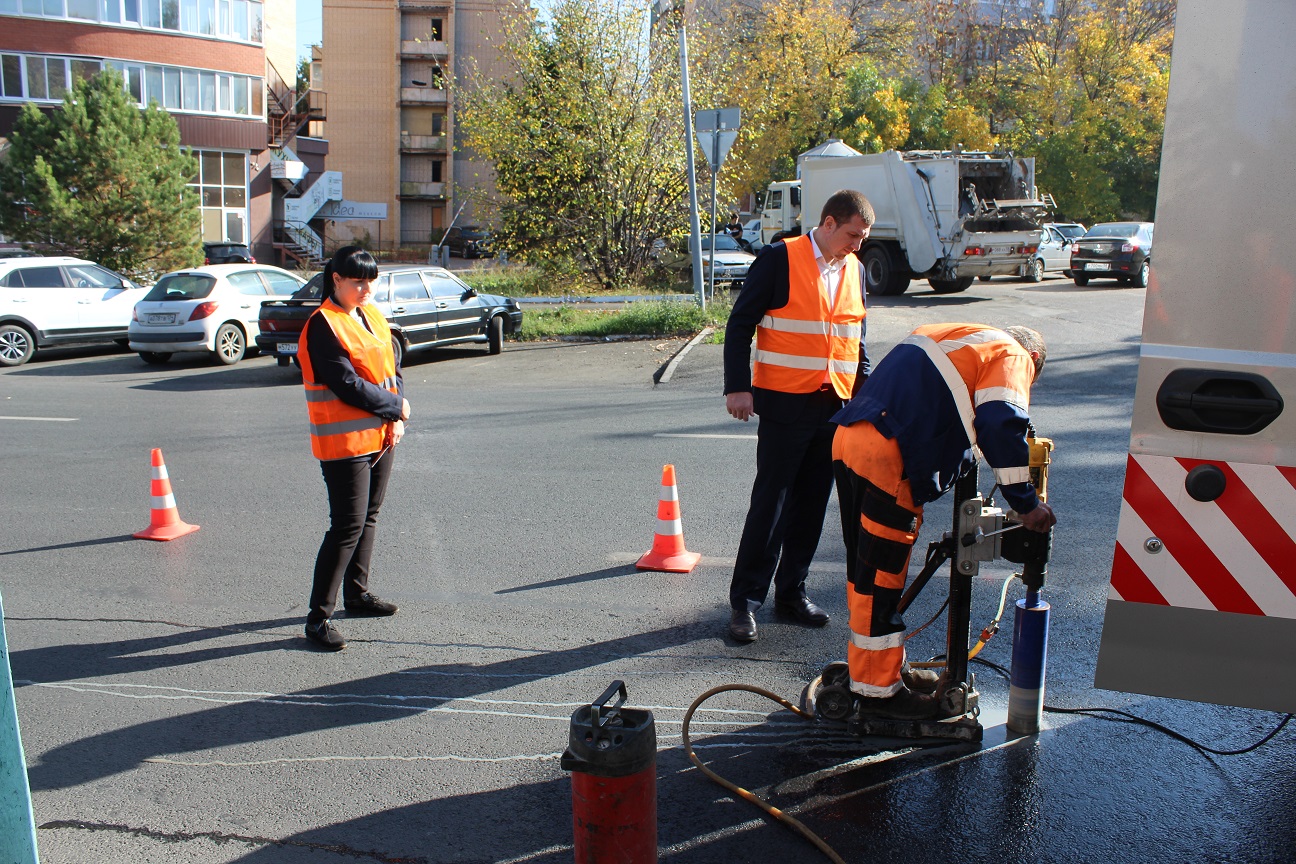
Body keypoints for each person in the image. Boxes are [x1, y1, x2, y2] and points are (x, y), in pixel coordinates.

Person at [831, 323, 1057, 718]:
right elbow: (1001, 422)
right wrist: (1025, 503)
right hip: (888, 458)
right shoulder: (1013, 355)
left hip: (852, 440)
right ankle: (877, 693)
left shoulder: (957, 337)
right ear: (1033, 360)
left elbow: (934, 401)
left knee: (864, 575)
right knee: (880, 580)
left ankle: (881, 668)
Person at [723, 189, 875, 643]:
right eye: (852, 234)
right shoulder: (779, 258)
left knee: (811, 506)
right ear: (828, 223)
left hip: (835, 406)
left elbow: (856, 340)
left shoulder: (855, 270)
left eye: (863, 237)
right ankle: (745, 603)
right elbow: (740, 323)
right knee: (771, 505)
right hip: (785, 403)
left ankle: (792, 593)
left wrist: (866, 402)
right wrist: (737, 387)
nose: (857, 244)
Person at [298, 246, 411, 651]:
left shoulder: (371, 314)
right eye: (356, 281)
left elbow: (391, 370)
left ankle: (357, 595)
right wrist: (396, 408)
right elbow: (345, 383)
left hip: (380, 435)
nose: (365, 288)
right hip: (344, 443)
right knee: (346, 526)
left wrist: (396, 417)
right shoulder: (323, 324)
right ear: (337, 280)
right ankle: (318, 618)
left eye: (370, 281)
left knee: (370, 517)